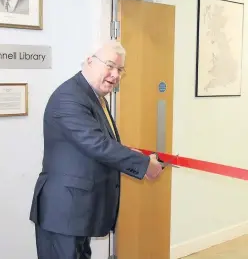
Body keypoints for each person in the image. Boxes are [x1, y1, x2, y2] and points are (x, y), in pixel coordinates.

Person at [29, 41, 163, 259]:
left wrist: (130, 153)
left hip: (79, 211)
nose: (115, 74)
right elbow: (96, 144)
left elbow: (99, 141)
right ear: (90, 61)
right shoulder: (69, 97)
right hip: (63, 212)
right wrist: (144, 165)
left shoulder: (94, 97)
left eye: (120, 69)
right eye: (110, 66)